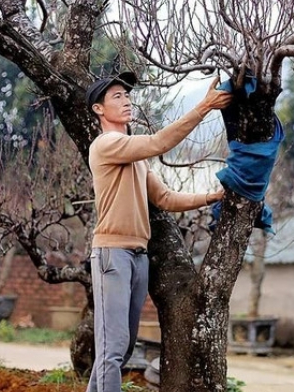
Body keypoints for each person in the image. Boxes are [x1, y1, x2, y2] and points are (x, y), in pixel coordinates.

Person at [85, 72, 232, 392]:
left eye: (127, 95)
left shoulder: (135, 160)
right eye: (117, 97)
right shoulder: (106, 144)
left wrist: (211, 196)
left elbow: (166, 199)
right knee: (112, 349)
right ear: (99, 109)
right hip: (113, 254)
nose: (126, 101)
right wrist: (204, 106)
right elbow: (157, 142)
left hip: (138, 257)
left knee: (120, 350)